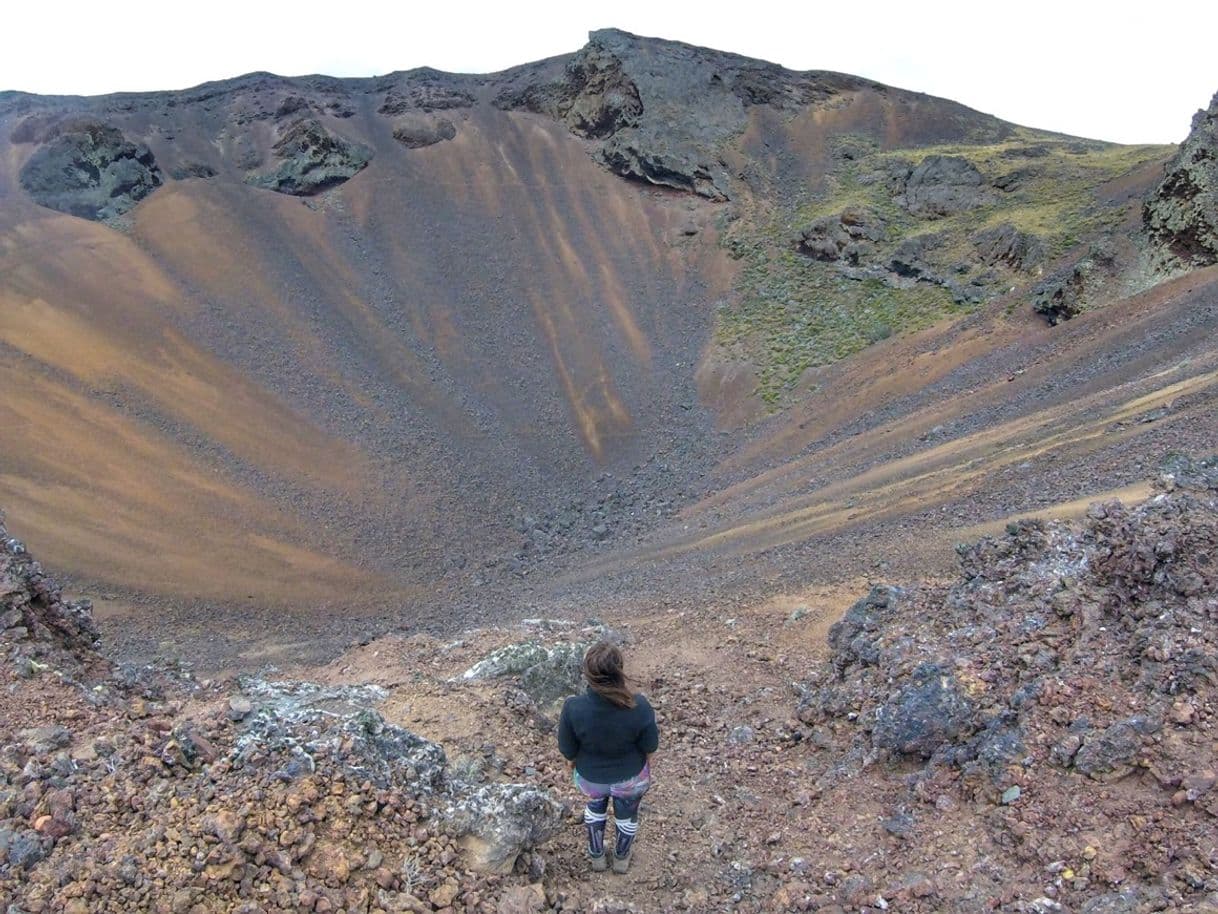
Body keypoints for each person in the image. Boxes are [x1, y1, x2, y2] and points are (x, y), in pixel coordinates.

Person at [557, 641, 659, 874]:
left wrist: (573, 763)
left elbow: (567, 749)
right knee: (627, 814)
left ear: (588, 674)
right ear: (619, 671)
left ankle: (597, 856)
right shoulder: (639, 705)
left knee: (595, 806)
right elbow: (651, 746)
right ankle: (622, 858)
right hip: (630, 778)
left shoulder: (573, 707)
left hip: (591, 779)